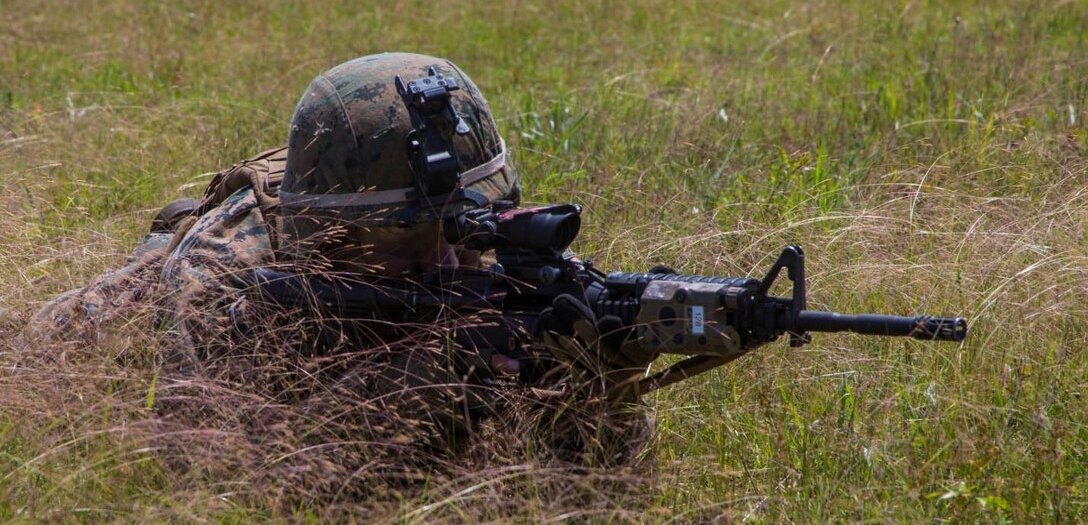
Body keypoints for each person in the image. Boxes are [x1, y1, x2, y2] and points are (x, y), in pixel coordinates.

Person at [25, 52, 650, 463]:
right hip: (121, 316)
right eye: (412, 242)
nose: (455, 262)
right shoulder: (223, 277)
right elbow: (212, 473)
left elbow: (606, 478)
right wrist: (409, 383)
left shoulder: (489, 238)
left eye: (463, 229)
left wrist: (606, 379)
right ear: (335, 237)